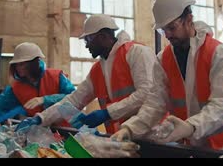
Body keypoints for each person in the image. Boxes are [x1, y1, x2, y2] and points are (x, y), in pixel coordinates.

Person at [112, 0, 223, 154]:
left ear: (189, 19)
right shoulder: (163, 59)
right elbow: (155, 104)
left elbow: (221, 104)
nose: (168, 35)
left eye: (172, 27)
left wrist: (190, 126)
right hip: (195, 147)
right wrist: (130, 128)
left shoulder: (219, 53)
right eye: (163, 30)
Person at [16, 14, 156, 134]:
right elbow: (73, 100)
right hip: (123, 137)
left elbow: (147, 93)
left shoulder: (136, 53)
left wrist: (107, 113)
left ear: (102, 36)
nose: (87, 45)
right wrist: (41, 118)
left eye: (88, 40)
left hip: (152, 134)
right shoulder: (98, 70)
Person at [0, 42, 76, 127]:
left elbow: (74, 98)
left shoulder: (55, 76)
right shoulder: (17, 88)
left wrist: (45, 99)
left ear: (34, 63)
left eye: (22, 64)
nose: (18, 68)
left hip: (69, 129)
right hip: (44, 133)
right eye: (17, 65)